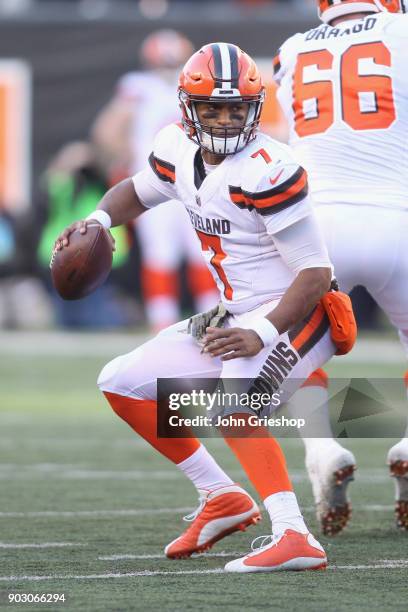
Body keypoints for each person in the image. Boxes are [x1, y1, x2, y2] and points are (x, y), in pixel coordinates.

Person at [54, 43, 356, 572]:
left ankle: (295, 536)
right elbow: (138, 190)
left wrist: (260, 332)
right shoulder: (174, 146)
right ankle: (220, 495)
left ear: (253, 109)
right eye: (212, 107)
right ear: (187, 108)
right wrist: (99, 222)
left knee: (233, 398)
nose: (223, 118)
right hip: (235, 311)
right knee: (120, 381)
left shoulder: (270, 167)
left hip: (299, 311)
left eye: (235, 108)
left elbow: (316, 274)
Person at [273, 0, 408, 534]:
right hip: (398, 216)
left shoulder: (292, 49)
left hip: (316, 223)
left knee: (297, 352)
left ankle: (322, 447)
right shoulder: (401, 31)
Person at [92, 30, 218, 332]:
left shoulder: (194, 87)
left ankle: (209, 320)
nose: (167, 68)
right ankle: (167, 321)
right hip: (160, 182)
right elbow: (107, 130)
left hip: (193, 181)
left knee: (202, 252)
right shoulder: (139, 87)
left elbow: (106, 131)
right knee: (165, 253)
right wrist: (128, 155)